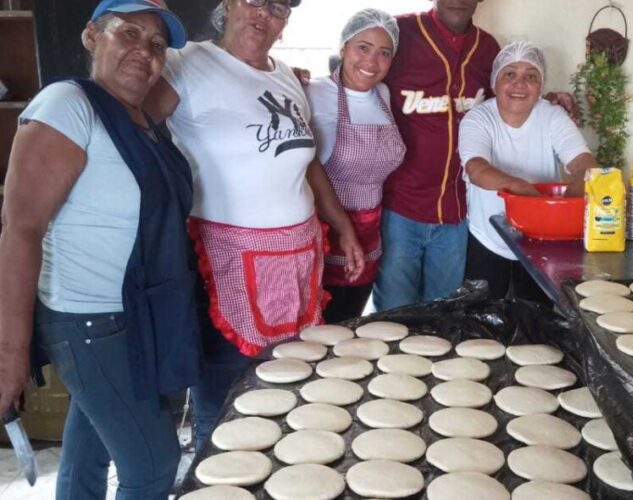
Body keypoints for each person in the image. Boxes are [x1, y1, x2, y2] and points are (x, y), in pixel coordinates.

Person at [0, 1, 200, 498]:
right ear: (92, 37)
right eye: (128, 33)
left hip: (136, 317)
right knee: (154, 463)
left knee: (89, 448)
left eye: (157, 44)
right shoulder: (67, 103)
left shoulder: (143, 119)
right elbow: (21, 229)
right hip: (89, 323)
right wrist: (9, 356)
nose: (144, 51)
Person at [144, 0, 364, 448]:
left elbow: (306, 162)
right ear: (227, 4)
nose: (265, 14)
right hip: (229, 266)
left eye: (279, 7)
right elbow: (132, 127)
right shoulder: (188, 64)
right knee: (226, 399)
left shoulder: (286, 76)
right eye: (254, 1)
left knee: (287, 383)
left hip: (299, 261)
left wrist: (342, 224)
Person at [372, 0, 500, 312]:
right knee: (393, 316)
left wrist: (548, 103)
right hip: (400, 209)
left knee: (443, 316)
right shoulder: (400, 32)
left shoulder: (487, 47)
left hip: (456, 213)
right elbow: (353, 77)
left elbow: (506, 107)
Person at [459, 41, 597, 299]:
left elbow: (584, 164)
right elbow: (476, 169)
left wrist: (565, 207)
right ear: (494, 82)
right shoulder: (478, 119)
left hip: (542, 244)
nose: (519, 84)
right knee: (482, 329)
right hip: (487, 241)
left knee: (536, 326)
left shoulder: (552, 116)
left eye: (530, 76)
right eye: (509, 74)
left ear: (540, 86)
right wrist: (524, 190)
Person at [305, 9, 406, 323]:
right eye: (363, 47)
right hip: (325, 232)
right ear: (343, 48)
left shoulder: (383, 94)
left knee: (352, 325)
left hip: (370, 236)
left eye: (384, 52)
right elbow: (304, 166)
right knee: (320, 329)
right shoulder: (312, 92)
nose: (371, 61)